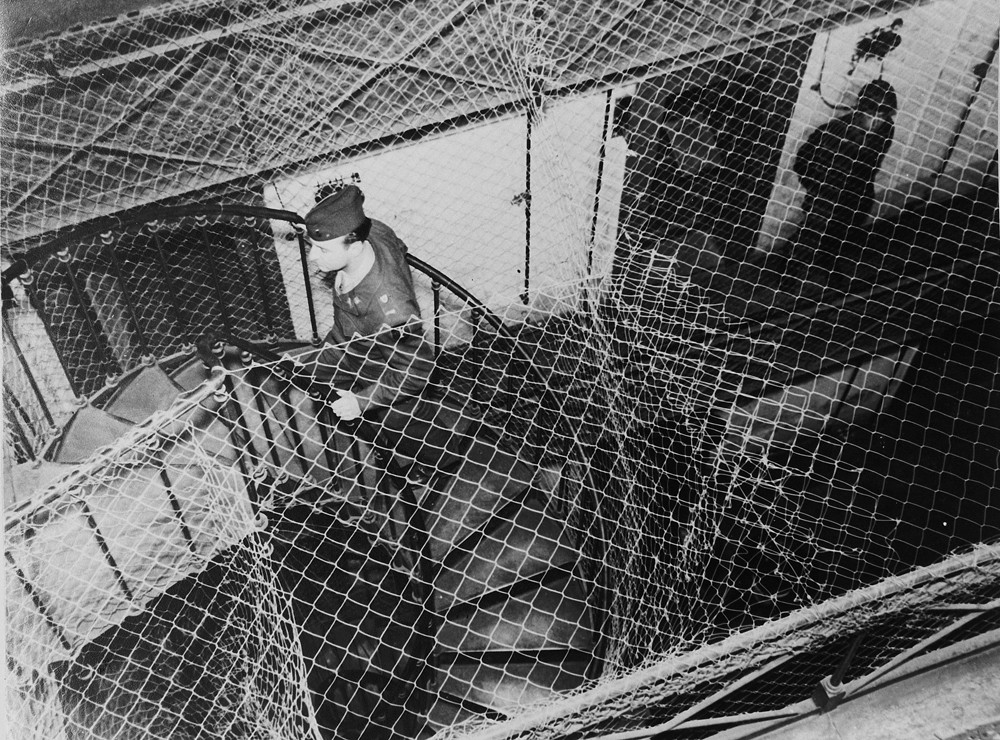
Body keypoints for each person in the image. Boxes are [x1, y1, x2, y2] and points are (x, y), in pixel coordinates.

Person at [793, 79, 897, 254]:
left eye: (883, 114)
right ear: (860, 109)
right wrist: (816, 187)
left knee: (839, 241)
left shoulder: (886, 129)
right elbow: (802, 161)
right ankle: (789, 271)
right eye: (872, 113)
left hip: (856, 196)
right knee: (808, 239)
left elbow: (871, 165)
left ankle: (828, 263)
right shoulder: (836, 132)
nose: (877, 121)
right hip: (827, 195)